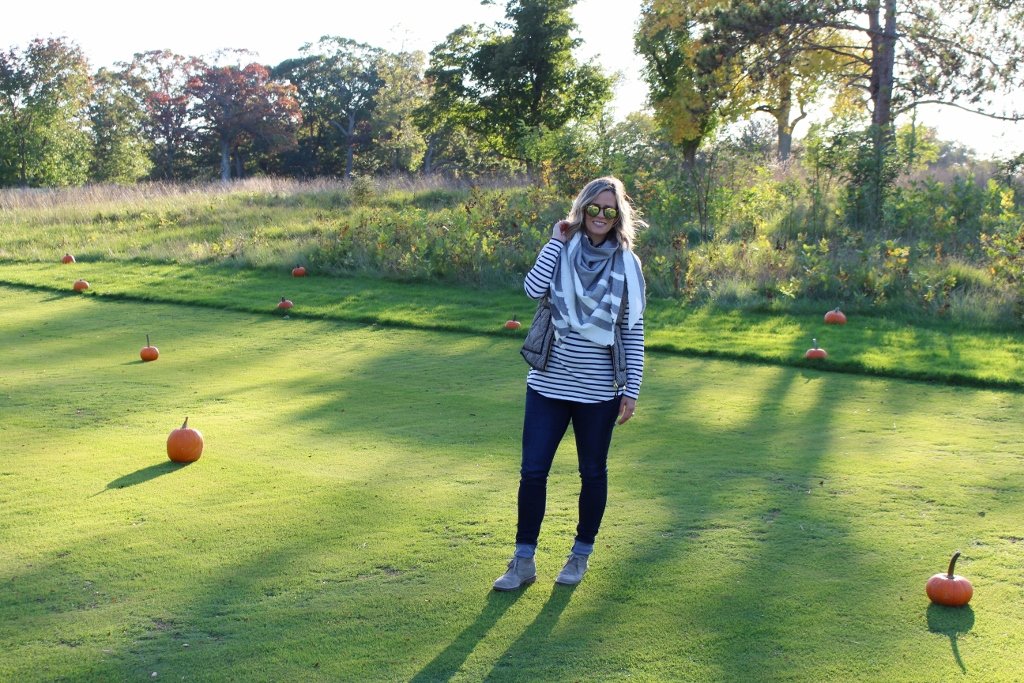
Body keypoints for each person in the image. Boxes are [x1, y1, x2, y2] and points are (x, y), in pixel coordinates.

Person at [493, 176, 646, 591]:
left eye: (609, 210)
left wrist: (632, 388)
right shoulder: (561, 251)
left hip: (598, 392)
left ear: (618, 217)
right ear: (581, 210)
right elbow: (532, 289)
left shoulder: (627, 265)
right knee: (533, 472)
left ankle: (580, 554)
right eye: (593, 208)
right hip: (547, 386)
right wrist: (554, 242)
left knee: (593, 473)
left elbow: (632, 330)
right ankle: (523, 562)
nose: (600, 216)